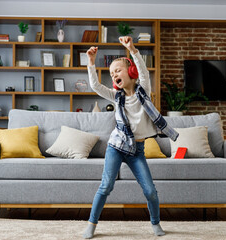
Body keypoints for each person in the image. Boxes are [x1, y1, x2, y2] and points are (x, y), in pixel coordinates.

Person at [83, 36, 179, 239]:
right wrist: (91, 63)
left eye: (117, 70)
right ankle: (91, 224)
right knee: (106, 186)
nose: (114, 74)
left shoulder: (143, 90)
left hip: (137, 151)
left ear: (131, 72)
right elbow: (95, 86)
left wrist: (132, 49)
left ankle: (155, 224)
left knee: (150, 191)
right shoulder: (115, 96)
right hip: (116, 147)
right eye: (111, 73)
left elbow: (143, 71)